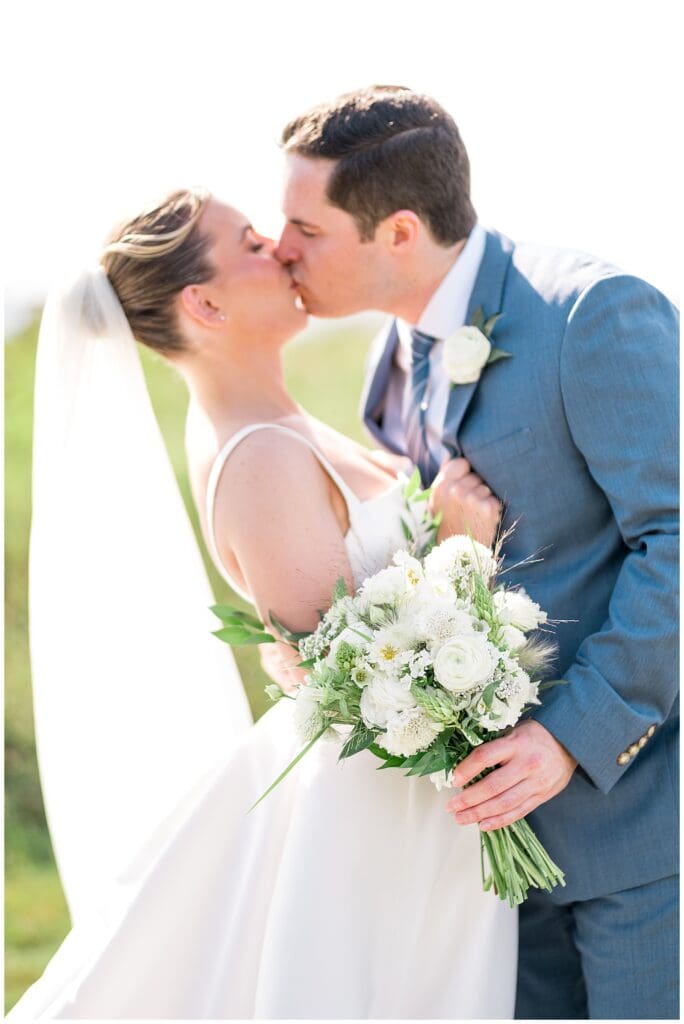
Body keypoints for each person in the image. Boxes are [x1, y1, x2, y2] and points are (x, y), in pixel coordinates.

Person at [10, 188, 515, 1019]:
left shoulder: (275, 421)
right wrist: (464, 552)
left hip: (413, 813)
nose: (280, 248)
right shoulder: (259, 458)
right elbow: (364, 689)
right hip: (372, 829)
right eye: (248, 242)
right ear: (203, 302)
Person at [274, 85, 680, 1019]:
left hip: (644, 837)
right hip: (490, 863)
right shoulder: (393, 361)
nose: (283, 247)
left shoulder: (591, 313)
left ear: (400, 232)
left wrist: (571, 737)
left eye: (306, 226)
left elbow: (675, 540)